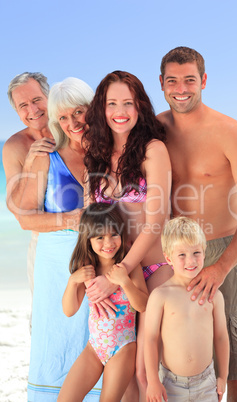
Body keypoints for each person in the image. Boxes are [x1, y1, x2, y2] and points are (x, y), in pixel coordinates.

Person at [157, 46, 237, 401]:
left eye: (190, 79)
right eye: (172, 80)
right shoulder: (153, 131)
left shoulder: (232, 133)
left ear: (203, 80)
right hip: (170, 254)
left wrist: (220, 267)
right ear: (161, 83)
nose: (181, 88)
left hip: (222, 249)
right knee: (171, 362)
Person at [83, 70, 173, 400]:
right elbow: (90, 224)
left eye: (128, 103)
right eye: (111, 103)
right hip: (112, 274)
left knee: (147, 371)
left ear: (139, 107)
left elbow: (157, 221)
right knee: (123, 376)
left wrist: (120, 274)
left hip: (153, 268)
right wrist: (98, 277)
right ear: (101, 109)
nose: (120, 111)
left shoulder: (153, 150)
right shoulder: (93, 153)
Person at [19, 77, 98, 401]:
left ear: (91, 109)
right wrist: (71, 218)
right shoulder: (46, 156)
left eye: (78, 113)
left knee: (96, 340)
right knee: (56, 339)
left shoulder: (109, 153)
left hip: (100, 259)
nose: (72, 123)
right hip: (54, 264)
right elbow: (25, 218)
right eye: (63, 117)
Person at [58, 202, 148, 402]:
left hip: (123, 348)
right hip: (94, 348)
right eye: (100, 237)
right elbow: (69, 310)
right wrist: (73, 281)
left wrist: (124, 281)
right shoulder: (87, 268)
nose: (108, 243)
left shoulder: (129, 266)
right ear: (88, 239)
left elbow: (143, 305)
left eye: (114, 234)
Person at [144, 216, 229, 402]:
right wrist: (152, 381)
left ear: (204, 253)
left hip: (207, 383)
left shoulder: (214, 296)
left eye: (196, 252)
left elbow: (221, 335)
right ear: (169, 258)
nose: (190, 260)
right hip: (171, 384)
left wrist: (223, 376)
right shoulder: (160, 295)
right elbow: (150, 338)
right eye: (181, 255)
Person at [3, 72, 55, 298]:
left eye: (36, 100)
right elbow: (19, 212)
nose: (32, 110)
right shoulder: (15, 146)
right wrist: (31, 162)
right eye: (23, 105)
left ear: (49, 96)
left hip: (90, 236)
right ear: (16, 111)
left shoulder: (73, 130)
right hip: (44, 242)